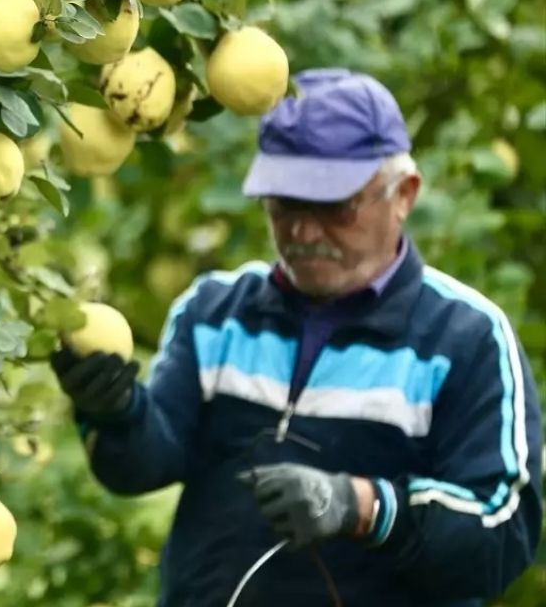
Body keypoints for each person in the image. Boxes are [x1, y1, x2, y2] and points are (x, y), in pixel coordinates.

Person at [51, 68, 542, 606]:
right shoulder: (217, 314)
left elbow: (503, 538)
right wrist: (114, 410)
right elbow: (145, 464)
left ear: (403, 194)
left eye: (334, 207)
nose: (304, 233)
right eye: (284, 205)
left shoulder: (465, 340)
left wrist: (361, 506)